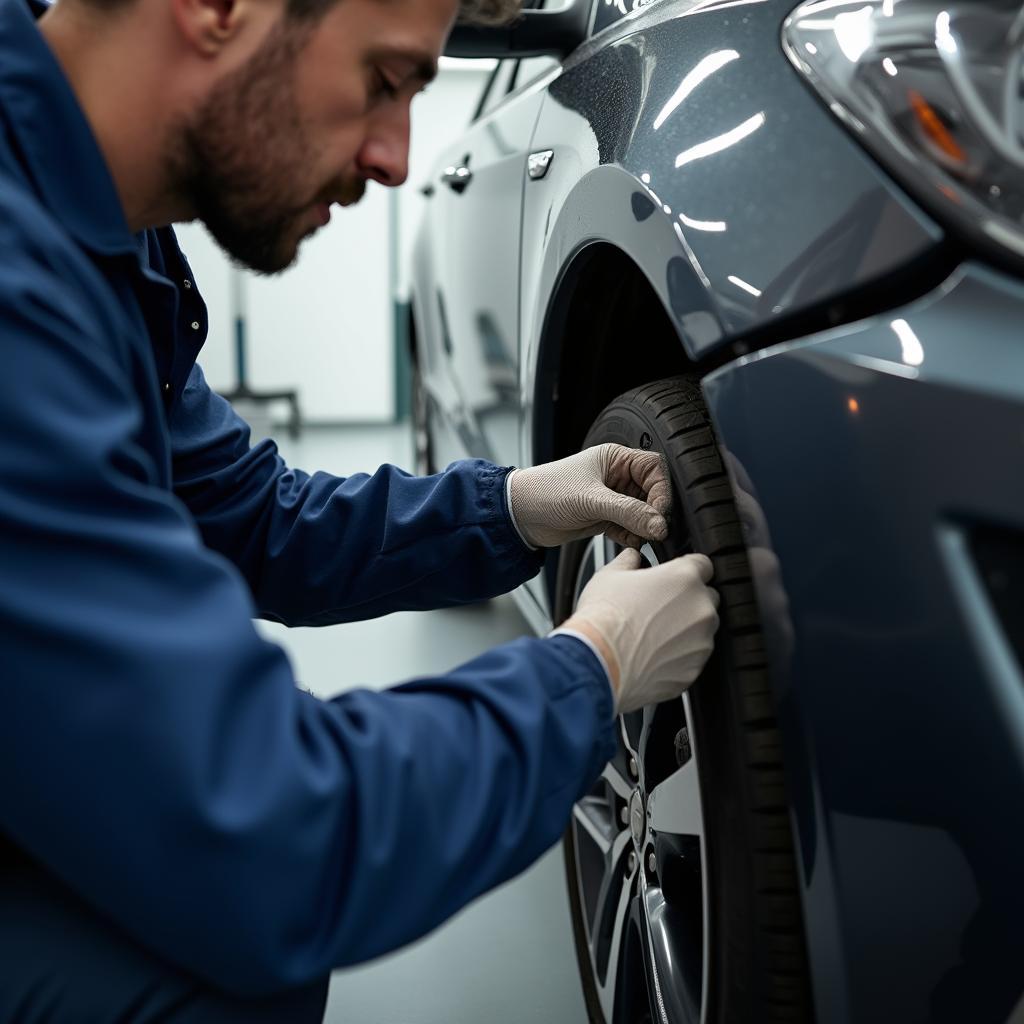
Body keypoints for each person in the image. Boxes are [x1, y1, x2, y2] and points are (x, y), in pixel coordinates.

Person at [0, 0, 721, 1015]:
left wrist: (510, 506)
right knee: (224, 975)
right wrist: (592, 670)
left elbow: (254, 515)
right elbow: (275, 834)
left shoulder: (105, 239)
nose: (396, 159)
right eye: (385, 81)